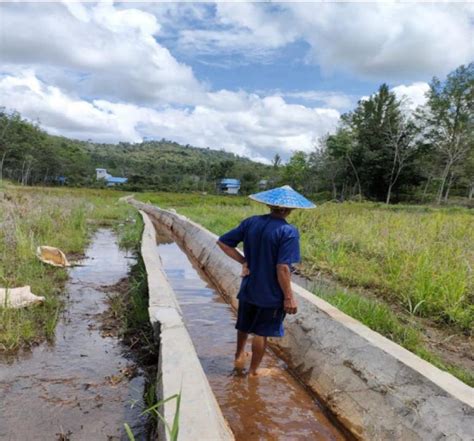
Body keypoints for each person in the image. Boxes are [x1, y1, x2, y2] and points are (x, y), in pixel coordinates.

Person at [216, 185, 315, 376]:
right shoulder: (288, 231)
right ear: (291, 209)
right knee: (262, 331)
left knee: (244, 325)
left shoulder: (251, 222)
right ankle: (253, 372)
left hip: (249, 287)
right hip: (270, 293)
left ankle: (238, 356)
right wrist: (288, 297)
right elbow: (283, 267)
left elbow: (223, 242)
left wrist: (244, 261)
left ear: (270, 205)